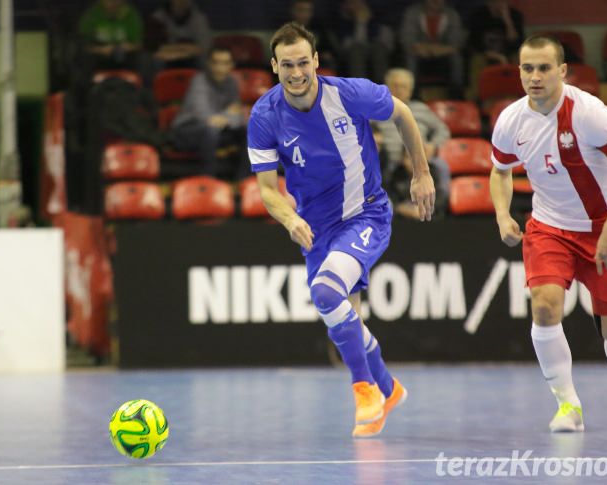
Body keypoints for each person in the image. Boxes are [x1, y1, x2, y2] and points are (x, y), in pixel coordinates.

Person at [247, 22, 435, 437]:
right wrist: (291, 218)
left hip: (365, 214)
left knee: (327, 293)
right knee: (340, 315)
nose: (296, 73)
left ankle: (364, 388)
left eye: (303, 63)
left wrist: (421, 173)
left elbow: (402, 113)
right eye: (287, 65)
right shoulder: (263, 115)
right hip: (316, 227)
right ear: (274, 66)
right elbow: (266, 189)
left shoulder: (347, 94)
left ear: (315, 61)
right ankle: (389, 387)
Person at [489, 35, 607, 433]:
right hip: (549, 227)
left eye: (544, 68)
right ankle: (568, 407)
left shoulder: (589, 113)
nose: (535, 77)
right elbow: (500, 170)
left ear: (562, 71)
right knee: (544, 307)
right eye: (527, 68)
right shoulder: (510, 120)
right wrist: (503, 214)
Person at [375, 68, 451, 219]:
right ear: (387, 87)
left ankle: (437, 209)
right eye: (394, 85)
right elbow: (362, 129)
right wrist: (372, 137)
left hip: (419, 159)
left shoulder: (421, 109)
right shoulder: (376, 109)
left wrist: (432, 145)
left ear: (410, 90)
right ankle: (395, 209)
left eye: (403, 86)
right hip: (388, 159)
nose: (399, 90)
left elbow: (443, 130)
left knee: (442, 166)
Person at [168, 46, 249, 179]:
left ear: (231, 66)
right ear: (209, 64)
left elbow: (238, 116)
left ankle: (243, 180)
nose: (219, 68)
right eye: (215, 62)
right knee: (210, 131)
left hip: (218, 131)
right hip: (187, 131)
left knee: (250, 130)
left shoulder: (232, 83)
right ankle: (208, 179)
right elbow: (204, 116)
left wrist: (227, 117)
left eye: (224, 63)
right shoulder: (199, 81)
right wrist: (228, 114)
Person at [399, 0, 464, 97]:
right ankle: (412, 94)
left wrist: (435, 50)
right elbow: (408, 40)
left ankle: (456, 94)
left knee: (456, 58)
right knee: (410, 56)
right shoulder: (412, 13)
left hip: (443, 56)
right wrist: (426, 49)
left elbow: (456, 44)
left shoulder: (452, 15)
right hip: (420, 54)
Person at [146, 0, 212, 70]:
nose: (181, 1)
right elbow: (154, 49)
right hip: (164, 65)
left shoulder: (199, 19)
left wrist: (175, 50)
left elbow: (204, 47)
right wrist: (185, 48)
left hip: (194, 64)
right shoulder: (157, 18)